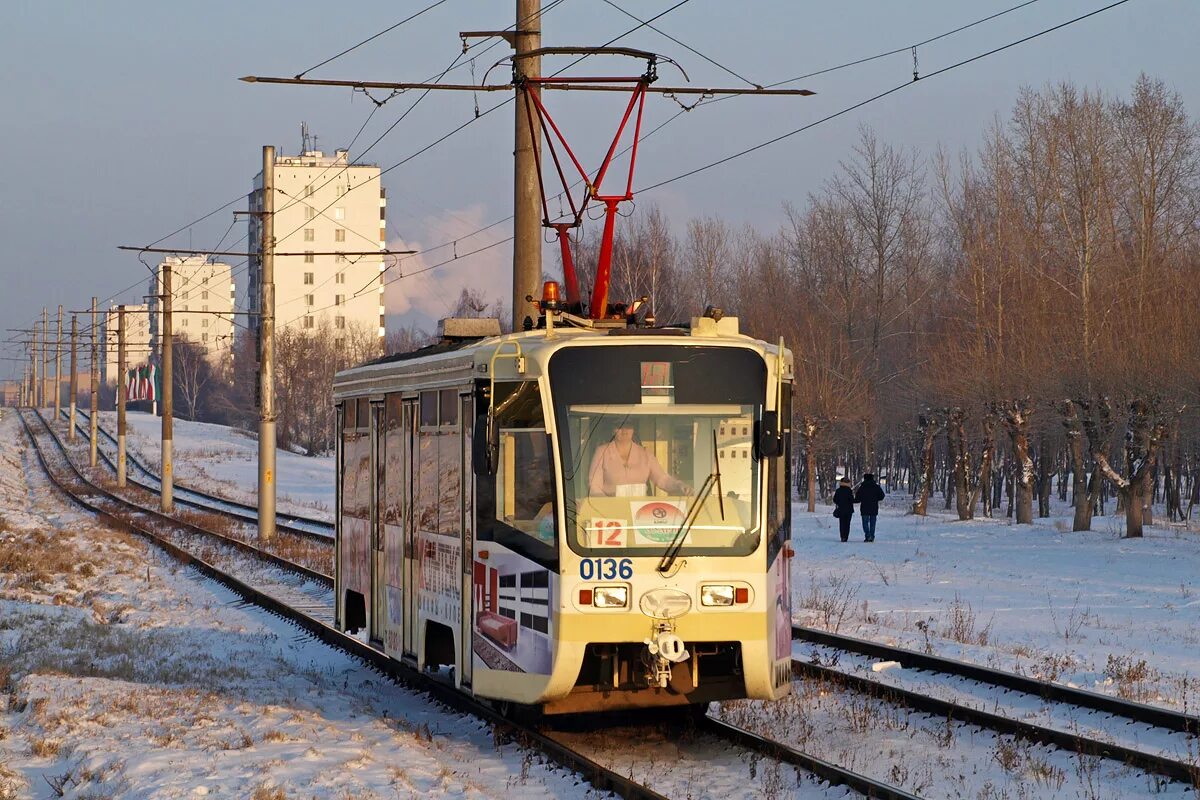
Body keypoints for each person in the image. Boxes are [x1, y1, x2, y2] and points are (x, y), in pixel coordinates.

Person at [588, 423, 691, 497]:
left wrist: (680, 486)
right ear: (613, 430)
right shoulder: (602, 451)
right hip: (610, 513)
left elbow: (662, 479)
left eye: (628, 425)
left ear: (633, 429)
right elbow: (594, 486)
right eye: (619, 426)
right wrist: (607, 507)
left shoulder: (645, 454)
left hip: (640, 511)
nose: (624, 430)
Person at [854, 473, 885, 542]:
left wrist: (852, 500)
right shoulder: (876, 487)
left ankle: (867, 535)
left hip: (864, 507)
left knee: (865, 523)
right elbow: (882, 496)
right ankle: (872, 536)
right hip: (874, 507)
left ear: (865, 479)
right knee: (872, 523)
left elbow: (857, 498)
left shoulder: (862, 487)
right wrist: (876, 499)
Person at [832, 477, 855, 542]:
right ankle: (846, 537)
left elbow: (835, 499)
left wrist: (839, 502)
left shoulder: (838, 490)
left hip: (841, 509)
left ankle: (842, 537)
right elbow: (852, 500)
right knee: (847, 524)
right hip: (849, 510)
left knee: (842, 523)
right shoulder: (849, 491)